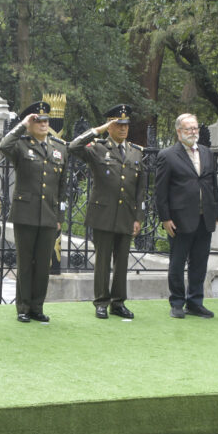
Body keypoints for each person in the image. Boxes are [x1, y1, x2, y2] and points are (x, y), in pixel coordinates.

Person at [68, 104, 146, 320]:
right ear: (110, 126)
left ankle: (118, 302)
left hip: (126, 214)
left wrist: (138, 217)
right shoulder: (98, 148)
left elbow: (140, 189)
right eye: (118, 124)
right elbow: (74, 147)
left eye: (125, 125)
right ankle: (101, 301)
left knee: (121, 262)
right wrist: (98, 129)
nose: (122, 129)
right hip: (103, 213)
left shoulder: (136, 152)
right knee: (102, 261)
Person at [0, 101, 68, 323]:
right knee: (26, 262)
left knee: (42, 264)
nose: (43, 124)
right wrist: (22, 125)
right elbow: (3, 146)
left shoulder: (59, 147)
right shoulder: (21, 145)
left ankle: (37, 306)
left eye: (46, 120)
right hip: (25, 213)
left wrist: (60, 217)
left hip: (48, 213)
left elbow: (62, 187)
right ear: (30, 123)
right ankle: (23, 307)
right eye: (37, 120)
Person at [156, 113, 218, 319]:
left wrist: (215, 211)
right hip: (180, 219)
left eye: (195, 128)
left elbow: (213, 185)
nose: (193, 132)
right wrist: (165, 218)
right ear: (178, 131)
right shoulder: (167, 155)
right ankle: (177, 302)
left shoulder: (207, 153)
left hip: (204, 218)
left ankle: (195, 302)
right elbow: (160, 191)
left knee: (200, 262)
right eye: (188, 129)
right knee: (177, 262)